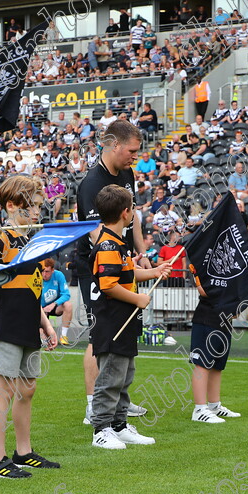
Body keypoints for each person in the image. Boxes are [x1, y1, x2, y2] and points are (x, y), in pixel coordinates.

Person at [0, 175, 59, 478]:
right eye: (32, 206)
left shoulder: (32, 245)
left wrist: (47, 327)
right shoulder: (1, 237)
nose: (38, 212)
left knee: (28, 389)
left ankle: (23, 453)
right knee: (5, 390)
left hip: (29, 324)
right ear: (11, 206)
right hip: (9, 323)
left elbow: (33, 292)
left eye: (39, 206)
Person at [76, 121, 149, 425]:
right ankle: (94, 404)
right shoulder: (92, 182)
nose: (135, 156)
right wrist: (120, 261)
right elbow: (97, 234)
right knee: (101, 334)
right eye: (131, 150)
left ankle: (117, 400)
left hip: (123, 259)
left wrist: (140, 253)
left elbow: (133, 216)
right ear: (115, 145)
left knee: (123, 331)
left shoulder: (127, 173)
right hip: (98, 265)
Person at [89, 185, 171, 449]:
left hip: (126, 321)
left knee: (125, 375)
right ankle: (101, 429)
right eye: (133, 207)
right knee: (111, 376)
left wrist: (156, 271)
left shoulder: (118, 243)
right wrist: (137, 298)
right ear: (126, 213)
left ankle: (119, 425)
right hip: (112, 321)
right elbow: (108, 284)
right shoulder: (107, 244)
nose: (134, 212)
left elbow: (129, 273)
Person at [187, 257, 241, 424]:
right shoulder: (203, 259)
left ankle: (214, 405)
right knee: (202, 364)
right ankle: (200, 409)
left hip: (224, 319)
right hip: (207, 317)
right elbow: (204, 290)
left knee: (218, 365)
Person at [40, 258, 73, 345]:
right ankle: (42, 335)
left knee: (68, 305)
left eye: (47, 271)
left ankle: (63, 336)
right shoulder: (37, 276)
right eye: (42, 271)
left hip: (55, 306)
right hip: (40, 309)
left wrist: (54, 304)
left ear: (53, 270)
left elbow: (66, 294)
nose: (44, 274)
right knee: (45, 341)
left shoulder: (59, 275)